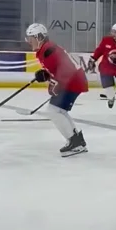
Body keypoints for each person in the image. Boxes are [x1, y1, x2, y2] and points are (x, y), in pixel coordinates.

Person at [26, 23, 88, 157]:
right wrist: (46, 74)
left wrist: (54, 84)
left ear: (39, 37)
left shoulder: (49, 50)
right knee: (59, 110)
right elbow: (57, 67)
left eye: (31, 38)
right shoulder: (46, 49)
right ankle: (77, 140)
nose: (29, 41)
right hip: (74, 81)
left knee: (53, 111)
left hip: (73, 82)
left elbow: (66, 69)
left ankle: (75, 141)